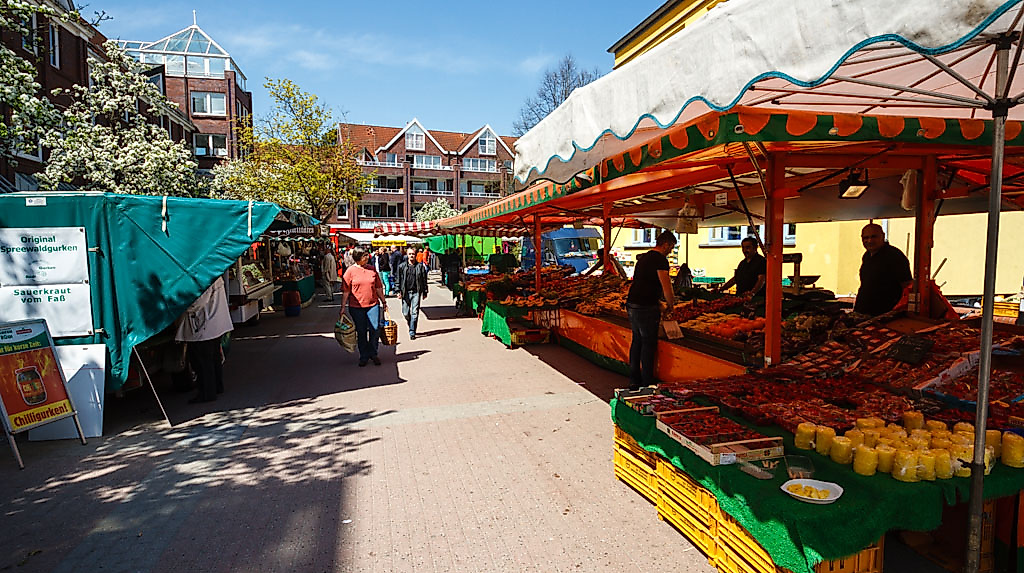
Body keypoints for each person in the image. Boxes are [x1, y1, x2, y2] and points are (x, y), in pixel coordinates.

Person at [626, 231, 676, 390]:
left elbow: (643, 282)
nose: (671, 251)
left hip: (633, 302)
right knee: (648, 343)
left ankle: (634, 379)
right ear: (666, 244)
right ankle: (647, 382)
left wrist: (659, 302)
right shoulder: (660, 260)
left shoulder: (644, 257)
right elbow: (665, 285)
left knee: (637, 341)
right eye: (672, 247)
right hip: (646, 306)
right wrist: (670, 304)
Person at [175, 276, 234, 403]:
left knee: (202, 362)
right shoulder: (214, 273)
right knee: (213, 359)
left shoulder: (203, 276)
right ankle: (217, 387)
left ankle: (207, 393)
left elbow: (198, 303)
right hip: (214, 325)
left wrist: (179, 307)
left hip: (204, 326)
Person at [341, 248, 388, 367]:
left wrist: (384, 301)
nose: (367, 257)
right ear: (357, 258)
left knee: (375, 329)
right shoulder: (350, 272)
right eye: (364, 256)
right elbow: (346, 291)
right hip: (356, 307)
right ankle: (364, 356)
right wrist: (342, 307)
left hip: (373, 305)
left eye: (367, 255)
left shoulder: (372, 270)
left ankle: (373, 352)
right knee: (361, 332)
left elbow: (378, 288)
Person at [854, 223, 913, 316]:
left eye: (874, 237)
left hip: (885, 314)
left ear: (883, 236)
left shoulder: (894, 256)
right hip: (864, 313)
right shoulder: (867, 256)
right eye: (866, 238)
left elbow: (907, 286)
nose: (869, 241)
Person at [396, 246, 429, 340]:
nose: (411, 256)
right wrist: (398, 291)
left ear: (415, 255)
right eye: (410, 254)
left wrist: (425, 291)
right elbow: (398, 279)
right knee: (405, 313)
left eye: (413, 254)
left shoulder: (420, 266)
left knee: (415, 312)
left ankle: (412, 331)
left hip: (416, 292)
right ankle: (411, 323)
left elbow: (424, 279)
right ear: (407, 255)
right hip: (405, 292)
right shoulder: (402, 266)